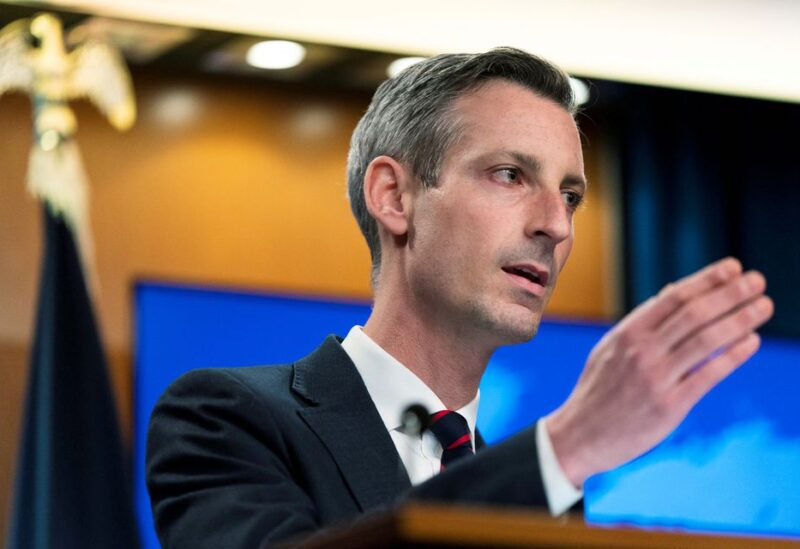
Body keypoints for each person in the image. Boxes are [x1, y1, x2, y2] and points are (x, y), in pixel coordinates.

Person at [146, 48, 773, 548]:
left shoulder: (544, 497)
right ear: (394, 197)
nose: (556, 225)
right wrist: (566, 448)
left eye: (572, 196)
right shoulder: (225, 418)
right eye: (510, 175)